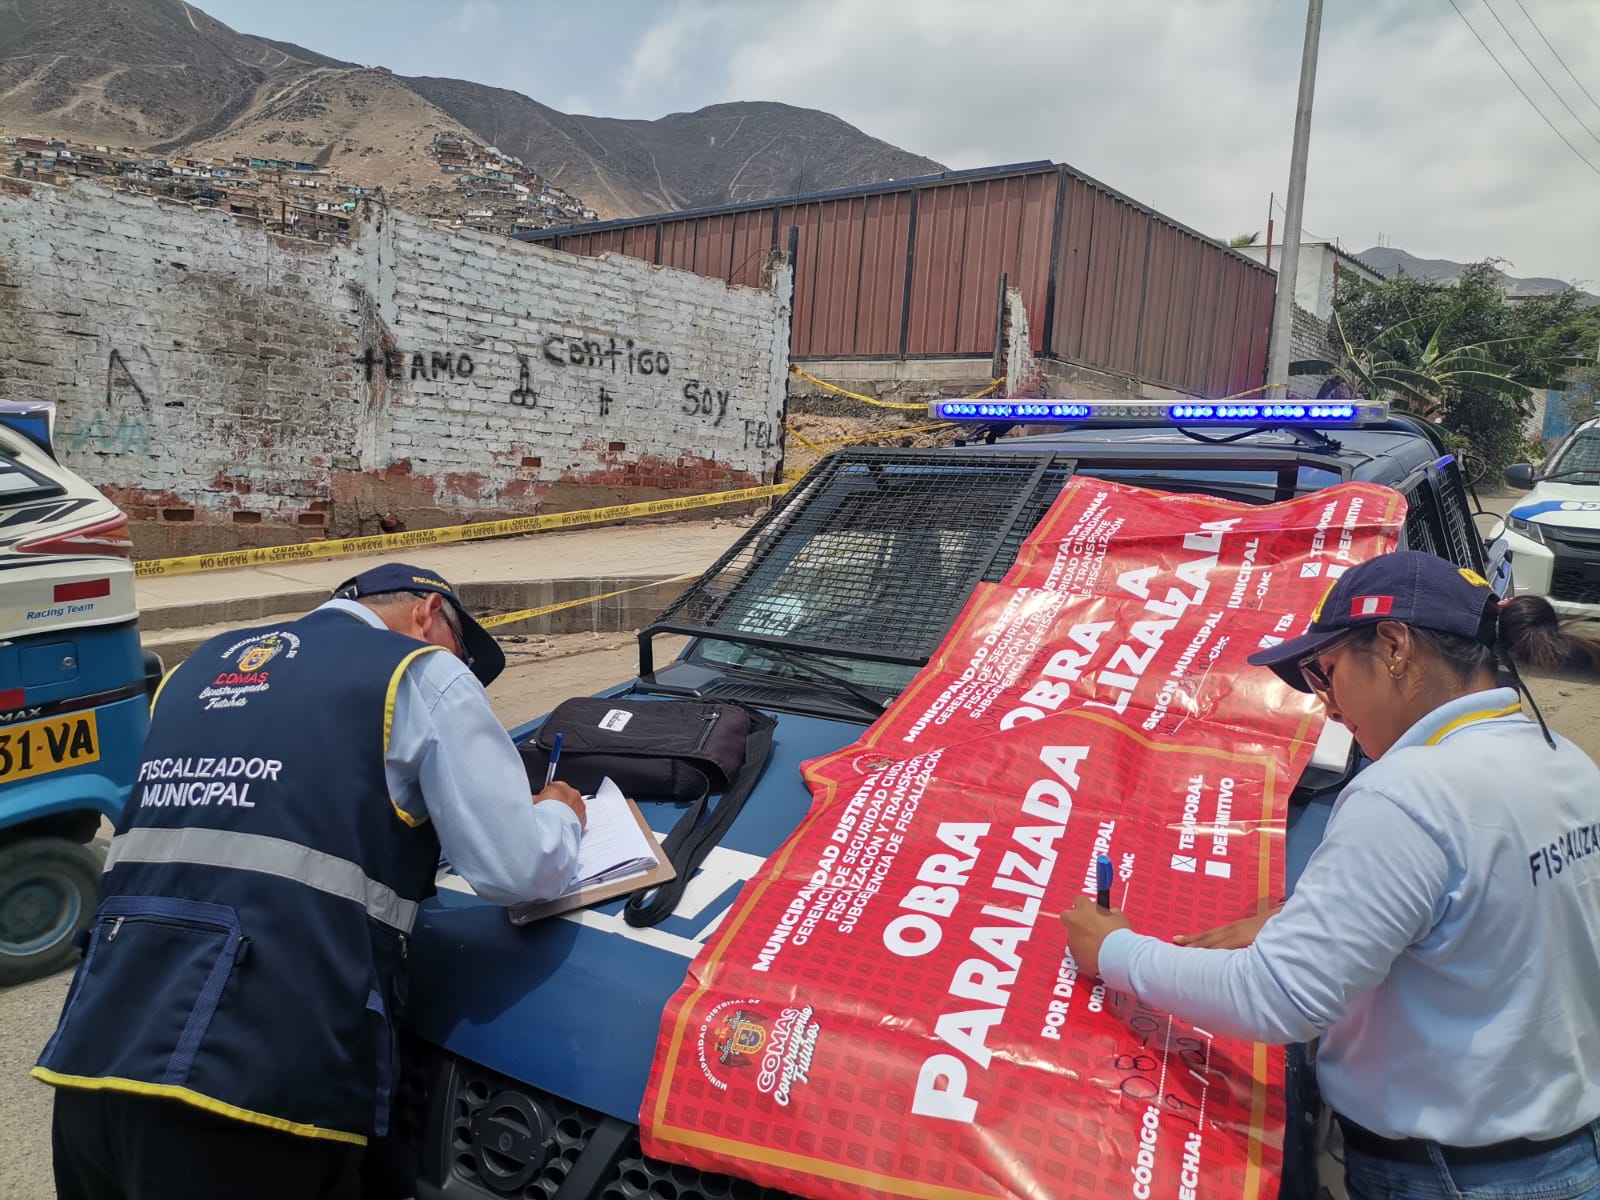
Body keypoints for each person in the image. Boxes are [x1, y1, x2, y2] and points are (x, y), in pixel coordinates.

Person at [35, 562, 588, 1200]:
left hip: (95, 1058)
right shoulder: (418, 672)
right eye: (464, 653)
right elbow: (515, 868)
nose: (463, 671)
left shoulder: (196, 669)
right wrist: (557, 813)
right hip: (249, 1089)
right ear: (430, 614)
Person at [1063, 550, 1600, 1200]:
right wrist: (1316, 915)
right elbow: (1493, 920)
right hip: (1566, 1154)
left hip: (1449, 1178)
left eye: (1326, 674)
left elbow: (1278, 997)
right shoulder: (1562, 759)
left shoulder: (1407, 792)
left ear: (1395, 645)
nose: (1329, 710)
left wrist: (1113, 950)